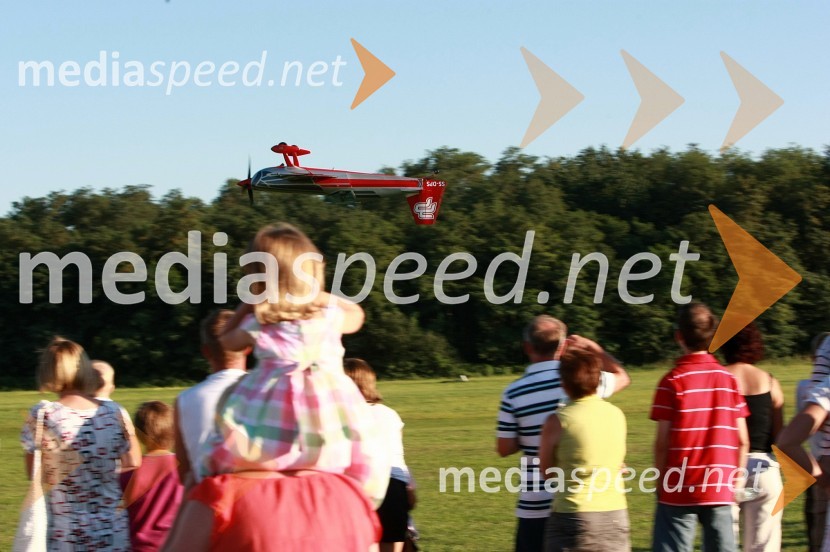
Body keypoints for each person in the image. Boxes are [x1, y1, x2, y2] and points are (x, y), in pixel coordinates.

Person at [165, 223, 386, 550]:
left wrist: (251, 302)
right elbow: (357, 314)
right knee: (343, 439)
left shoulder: (262, 317)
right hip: (328, 401)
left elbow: (228, 339)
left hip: (272, 397)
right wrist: (315, 293)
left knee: (252, 434)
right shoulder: (328, 314)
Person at [496, 315, 630, 552]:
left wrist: (528, 434)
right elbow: (622, 377)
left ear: (528, 347)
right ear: (563, 344)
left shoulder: (513, 392)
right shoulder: (584, 379)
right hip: (590, 502)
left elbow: (504, 447)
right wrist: (594, 348)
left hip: (535, 501)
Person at [20, 337, 141, 550]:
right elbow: (133, 459)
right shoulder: (114, 412)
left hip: (66, 533)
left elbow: (35, 474)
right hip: (112, 531)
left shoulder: (43, 416)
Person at [650, 302, 750, 552]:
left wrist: (660, 481)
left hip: (678, 483)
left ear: (679, 336)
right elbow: (742, 440)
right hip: (719, 484)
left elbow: (662, 442)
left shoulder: (671, 381)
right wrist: (735, 482)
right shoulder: (728, 380)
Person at [539, 347, 629, 552]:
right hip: (615, 513)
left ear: (564, 383)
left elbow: (547, 472)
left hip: (573, 514)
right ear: (599, 380)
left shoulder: (557, 421)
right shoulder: (616, 414)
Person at [721, 323, 784, 551]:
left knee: (723, 543)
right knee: (764, 545)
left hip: (725, 468)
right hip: (765, 469)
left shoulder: (719, 379)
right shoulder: (770, 382)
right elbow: (780, 437)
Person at [345, 358, 416, 552]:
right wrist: (409, 486)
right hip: (394, 485)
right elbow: (397, 455)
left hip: (356, 487)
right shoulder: (389, 414)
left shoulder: (339, 414)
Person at [174, 309, 247, 488]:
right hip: (255, 499)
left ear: (206, 352)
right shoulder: (264, 390)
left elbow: (184, 473)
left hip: (207, 500)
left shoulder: (184, 400)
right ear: (247, 347)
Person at [120, 401, 184, 552]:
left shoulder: (128, 473)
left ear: (138, 432)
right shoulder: (185, 470)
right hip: (175, 545)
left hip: (138, 546)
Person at [800, 332, 830, 551]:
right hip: (820, 464)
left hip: (820, 463)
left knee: (817, 526)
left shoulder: (812, 388)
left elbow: (789, 439)